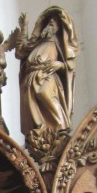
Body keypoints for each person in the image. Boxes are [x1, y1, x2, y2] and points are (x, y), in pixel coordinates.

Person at [15, 7, 78, 136]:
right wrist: (24, 28)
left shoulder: (60, 42)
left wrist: (59, 64)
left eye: (55, 21)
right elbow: (20, 52)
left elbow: (70, 65)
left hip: (47, 74)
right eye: (49, 21)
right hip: (31, 77)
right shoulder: (37, 42)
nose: (51, 22)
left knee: (45, 93)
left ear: (60, 27)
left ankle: (60, 128)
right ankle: (40, 132)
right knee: (32, 108)